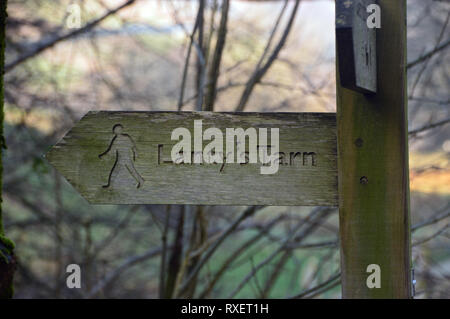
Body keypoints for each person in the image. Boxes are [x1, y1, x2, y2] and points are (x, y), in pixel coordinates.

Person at [99, 124, 145, 189]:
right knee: (120, 171)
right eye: (115, 130)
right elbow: (111, 150)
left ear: (120, 130)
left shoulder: (126, 138)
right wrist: (104, 155)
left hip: (125, 158)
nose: (116, 131)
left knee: (130, 171)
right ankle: (111, 185)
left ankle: (141, 181)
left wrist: (135, 153)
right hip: (121, 159)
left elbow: (133, 146)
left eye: (117, 130)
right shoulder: (116, 140)